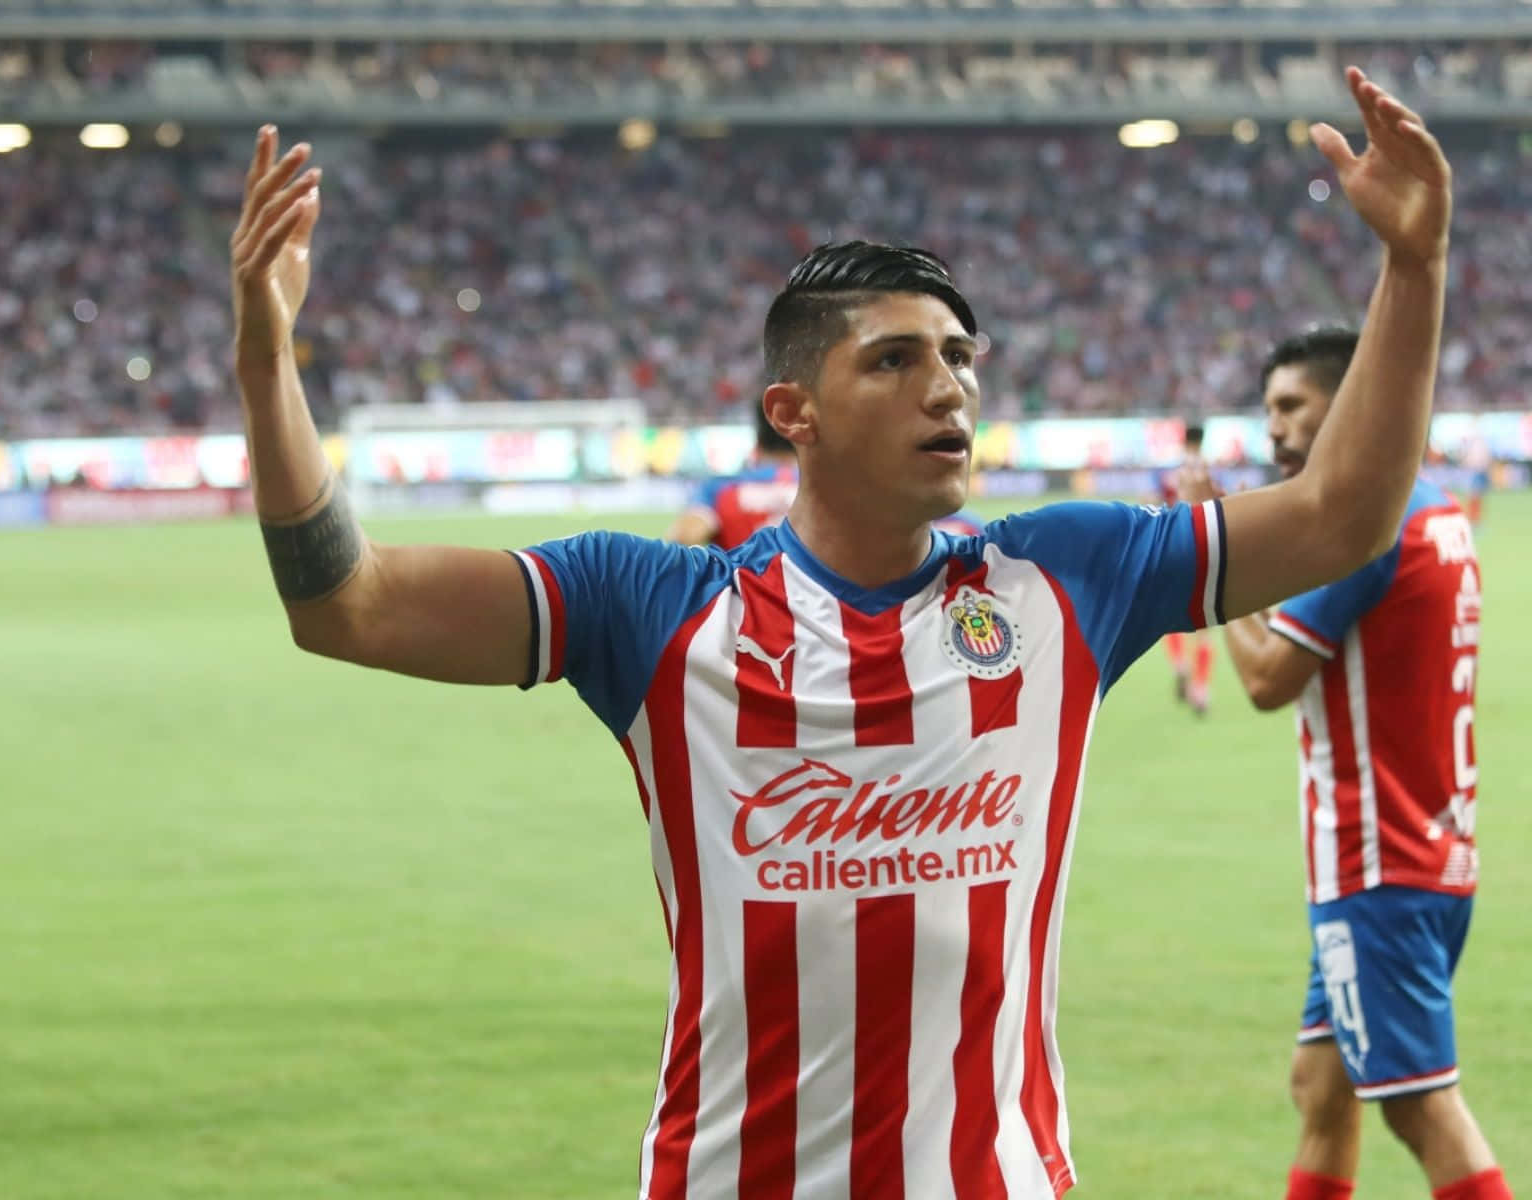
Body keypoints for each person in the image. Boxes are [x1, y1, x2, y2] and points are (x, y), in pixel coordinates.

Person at [230, 67, 1453, 1197]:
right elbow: (349, 604)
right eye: (895, 360)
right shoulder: (652, 609)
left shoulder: (1064, 576)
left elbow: (1341, 513)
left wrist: (1413, 264)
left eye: (960, 356)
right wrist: (266, 355)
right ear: (793, 411)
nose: (948, 386)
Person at [1178, 327, 1511, 1200]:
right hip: (1432, 847)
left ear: (1351, 400)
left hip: (1377, 861)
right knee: (1322, 1089)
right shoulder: (1435, 510)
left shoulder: (1366, 525)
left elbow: (1266, 680)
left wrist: (1205, 545)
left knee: (1419, 1107)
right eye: (1269, 409)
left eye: (1293, 405)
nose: (1275, 428)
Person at [666, 398, 984, 549]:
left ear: (757, 444)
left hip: (748, 621)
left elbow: (683, 539)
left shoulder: (721, 490)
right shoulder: (835, 485)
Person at [1157, 421, 1215, 714]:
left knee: (1171, 617)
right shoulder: (1207, 472)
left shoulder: (1173, 472)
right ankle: (1200, 689)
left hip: (1174, 549)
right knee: (1204, 627)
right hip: (1203, 551)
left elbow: (1159, 506)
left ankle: (1179, 663)